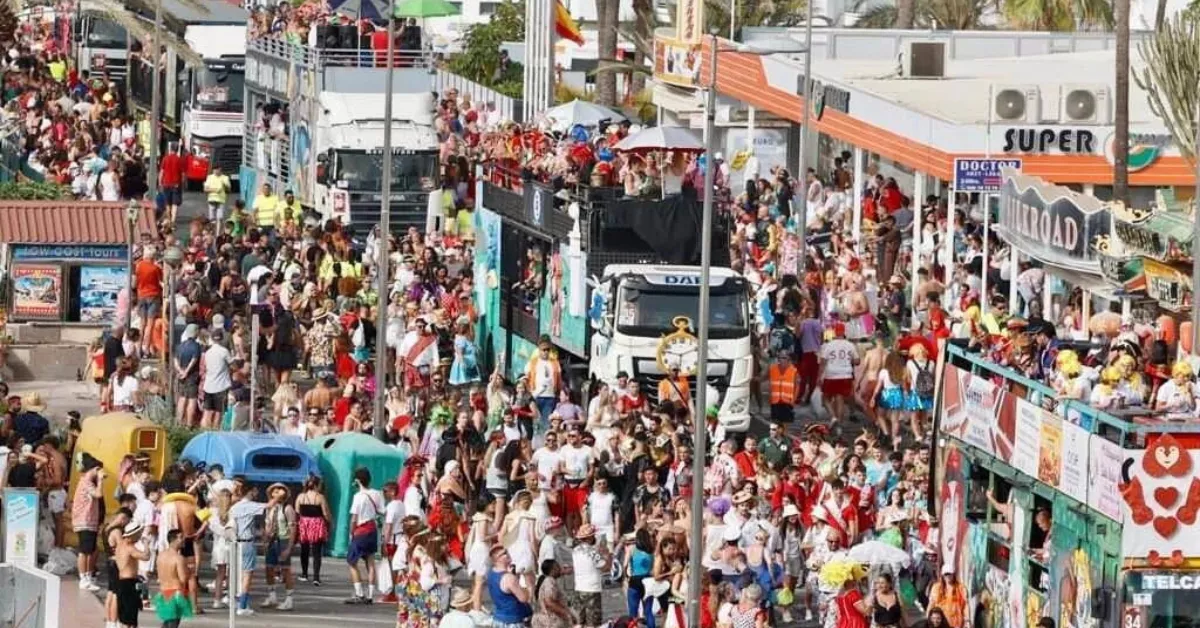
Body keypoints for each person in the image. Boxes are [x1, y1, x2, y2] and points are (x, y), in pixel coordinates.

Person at [346, 467, 383, 604]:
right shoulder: (377, 493)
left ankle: (359, 593)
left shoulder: (358, 496)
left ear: (357, 481)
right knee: (370, 562)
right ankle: (370, 595)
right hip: (372, 529)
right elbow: (381, 510)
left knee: (352, 562)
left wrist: (351, 533)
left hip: (360, 531)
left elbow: (354, 518)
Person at [72, 453, 106, 592]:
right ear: (94, 469)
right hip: (84, 521)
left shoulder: (86, 482)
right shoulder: (86, 482)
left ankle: (87, 576)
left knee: (89, 550)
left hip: (89, 521)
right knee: (84, 551)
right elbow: (98, 494)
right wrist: (101, 480)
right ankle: (83, 578)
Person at [261, 483, 297, 610]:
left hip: (283, 539)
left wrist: (289, 548)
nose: (277, 493)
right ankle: (272, 596)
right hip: (272, 540)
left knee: (285, 569)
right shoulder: (270, 508)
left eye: (279, 491)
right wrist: (265, 539)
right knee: (269, 568)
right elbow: (267, 525)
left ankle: (289, 599)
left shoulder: (287, 508)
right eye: (274, 491)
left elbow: (293, 529)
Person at [572, 524, 611, 628]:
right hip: (592, 589)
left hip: (578, 588)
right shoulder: (592, 552)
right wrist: (607, 554)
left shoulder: (574, 551)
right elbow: (605, 567)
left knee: (579, 622)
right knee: (592, 623)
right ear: (590, 537)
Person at [155, 529, 194, 628]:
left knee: (167, 622)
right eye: (180, 537)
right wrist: (189, 571)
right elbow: (183, 578)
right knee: (173, 623)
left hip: (163, 592)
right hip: (176, 593)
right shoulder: (178, 558)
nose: (183, 539)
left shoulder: (160, 556)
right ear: (173, 540)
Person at [296, 475, 332, 585]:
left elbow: (297, 510)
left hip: (304, 524)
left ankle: (304, 574)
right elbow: (325, 513)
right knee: (317, 552)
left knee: (304, 549)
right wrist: (330, 522)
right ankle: (316, 577)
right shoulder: (320, 497)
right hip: (317, 524)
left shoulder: (301, 496)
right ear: (316, 485)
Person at [488, 544, 533, 628]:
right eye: (504, 553)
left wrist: (514, 577)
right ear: (497, 559)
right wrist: (529, 587)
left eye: (507, 551)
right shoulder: (509, 578)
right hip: (512, 621)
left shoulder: (491, 573)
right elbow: (524, 598)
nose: (508, 554)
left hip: (498, 619)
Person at [114, 521, 149, 628]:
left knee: (124, 617)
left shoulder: (120, 546)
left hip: (121, 581)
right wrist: (146, 544)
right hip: (129, 583)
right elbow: (146, 556)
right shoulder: (129, 548)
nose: (139, 537)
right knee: (131, 618)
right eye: (138, 534)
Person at [532, 559, 574, 628]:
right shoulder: (550, 582)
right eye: (557, 567)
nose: (560, 569)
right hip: (550, 621)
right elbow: (549, 602)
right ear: (553, 570)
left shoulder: (546, 580)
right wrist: (566, 613)